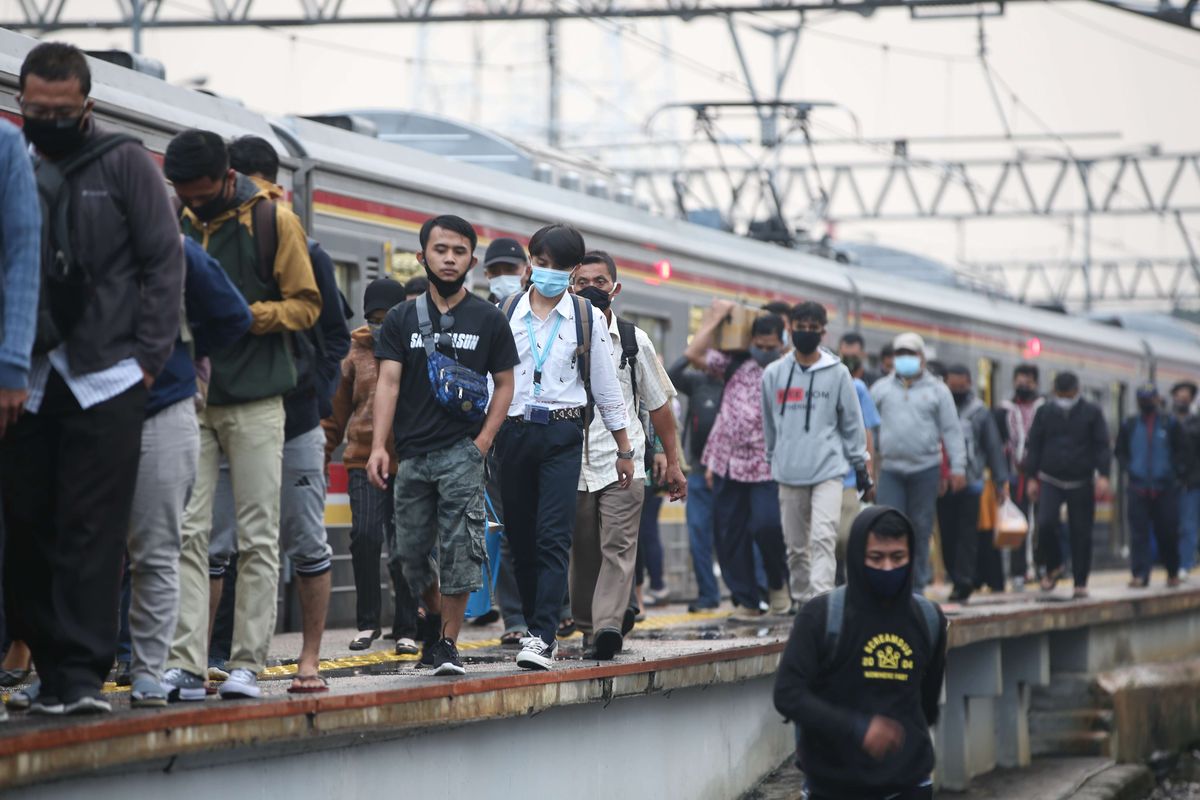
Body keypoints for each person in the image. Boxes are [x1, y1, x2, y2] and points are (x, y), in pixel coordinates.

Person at [3, 43, 183, 715]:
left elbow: (163, 265)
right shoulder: (9, 161)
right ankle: (41, 666)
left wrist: (146, 361)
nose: (45, 119)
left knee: (91, 528)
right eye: (34, 108)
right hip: (25, 375)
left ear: (88, 106)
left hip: (107, 377)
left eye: (61, 110)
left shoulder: (125, 164)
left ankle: (77, 676)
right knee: (26, 523)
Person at [163, 129, 321, 701]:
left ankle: (247, 663)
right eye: (183, 192)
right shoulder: (171, 216)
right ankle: (185, 662)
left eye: (201, 192)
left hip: (257, 398)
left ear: (226, 178)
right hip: (193, 398)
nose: (192, 201)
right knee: (188, 532)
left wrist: (243, 315)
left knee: (258, 535)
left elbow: (307, 305)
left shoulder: (273, 222)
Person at [225, 134, 352, 694]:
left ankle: (308, 658)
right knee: (219, 542)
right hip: (228, 410)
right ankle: (219, 657)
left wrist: (317, 401)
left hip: (295, 417)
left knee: (305, 539)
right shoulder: (212, 243)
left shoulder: (307, 249)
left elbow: (333, 336)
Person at [368, 215, 519, 676]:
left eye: (458, 252)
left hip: (462, 451)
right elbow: (388, 384)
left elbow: (506, 384)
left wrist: (483, 441)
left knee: (460, 550)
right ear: (422, 257)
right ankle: (432, 618)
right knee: (408, 556)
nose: (449, 258)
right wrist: (379, 446)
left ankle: (448, 644)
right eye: (440, 250)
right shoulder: (400, 319)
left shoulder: (488, 318)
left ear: (471, 260)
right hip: (412, 455)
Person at [495, 224, 634, 671]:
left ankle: (541, 635)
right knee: (520, 538)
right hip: (512, 432)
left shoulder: (585, 317)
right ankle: (538, 617)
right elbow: (490, 379)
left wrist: (624, 448)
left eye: (559, 266)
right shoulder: (508, 311)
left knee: (553, 536)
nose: (548, 272)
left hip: (562, 433)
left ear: (574, 271)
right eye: (542, 262)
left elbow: (606, 387)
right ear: (531, 260)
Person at [123, 237, 252, 707]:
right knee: (84, 546)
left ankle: (151, 670)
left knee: (161, 548)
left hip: (163, 404)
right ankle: (71, 670)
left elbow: (235, 316)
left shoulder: (174, 247)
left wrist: (182, 355)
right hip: (89, 406)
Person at [774, 505, 947, 800]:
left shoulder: (928, 619)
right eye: (876, 558)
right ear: (857, 555)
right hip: (835, 786)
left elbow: (928, 705)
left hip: (909, 784)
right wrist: (857, 729)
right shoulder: (822, 616)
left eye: (898, 557)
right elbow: (788, 694)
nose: (888, 568)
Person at [568, 251, 685, 659]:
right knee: (583, 551)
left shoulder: (635, 341)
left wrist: (672, 462)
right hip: (573, 466)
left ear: (614, 289)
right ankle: (587, 624)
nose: (591, 289)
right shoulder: (562, 335)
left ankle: (607, 628)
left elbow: (659, 407)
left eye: (599, 282)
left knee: (617, 547)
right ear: (571, 287)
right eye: (582, 282)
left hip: (625, 463)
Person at [325, 277, 421, 654]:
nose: (380, 324)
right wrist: (325, 449)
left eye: (388, 316)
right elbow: (336, 411)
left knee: (406, 546)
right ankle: (367, 623)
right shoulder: (355, 351)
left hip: (410, 461)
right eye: (374, 317)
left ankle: (407, 626)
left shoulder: (416, 345)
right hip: (362, 459)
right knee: (365, 536)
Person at [685, 300, 790, 614]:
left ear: (782, 343)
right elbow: (693, 355)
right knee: (730, 532)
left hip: (767, 463)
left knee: (766, 525)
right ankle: (746, 599)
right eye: (758, 345)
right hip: (727, 461)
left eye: (771, 346)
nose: (764, 351)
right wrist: (715, 320)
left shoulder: (789, 370)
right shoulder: (733, 363)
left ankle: (776, 583)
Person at [761, 303, 870, 606]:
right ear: (790, 329)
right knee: (796, 548)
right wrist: (773, 458)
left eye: (813, 328)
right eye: (800, 327)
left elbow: (852, 423)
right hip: (789, 470)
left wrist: (860, 464)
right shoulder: (774, 374)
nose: (806, 333)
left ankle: (820, 605)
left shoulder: (838, 374)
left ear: (823, 332)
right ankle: (801, 599)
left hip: (828, 471)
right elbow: (769, 423)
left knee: (824, 538)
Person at [870, 333, 966, 593]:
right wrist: (868, 465)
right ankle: (889, 584)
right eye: (900, 354)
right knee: (888, 526)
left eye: (911, 354)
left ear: (922, 358)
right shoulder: (881, 389)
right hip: (890, 468)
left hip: (925, 469)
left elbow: (951, 430)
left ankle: (916, 587)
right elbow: (869, 430)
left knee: (920, 528)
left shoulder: (938, 390)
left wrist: (958, 467)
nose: (905, 360)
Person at [0, 118, 40, 720]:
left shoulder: (6, 148)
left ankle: (23, 647)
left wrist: (11, 364)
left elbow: (22, 259)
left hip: (18, 384)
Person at [1025, 372, 1111, 597]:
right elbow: (1034, 444)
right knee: (1045, 523)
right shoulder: (1044, 412)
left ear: (1077, 390)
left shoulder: (1092, 412)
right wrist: (1031, 476)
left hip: (1081, 479)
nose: (1064, 397)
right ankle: (1052, 565)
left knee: (1081, 531)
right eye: (1061, 393)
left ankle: (1080, 581)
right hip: (1050, 477)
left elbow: (1102, 444)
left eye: (1068, 393)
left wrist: (1103, 474)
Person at [937, 365, 1009, 603]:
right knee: (947, 535)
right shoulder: (938, 407)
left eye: (961, 387)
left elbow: (992, 447)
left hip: (972, 484)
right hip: (943, 484)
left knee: (968, 535)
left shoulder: (980, 412)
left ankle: (963, 579)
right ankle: (957, 574)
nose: (957, 391)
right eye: (952, 386)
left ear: (969, 384)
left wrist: (1001, 481)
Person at [667, 355, 724, 611]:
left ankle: (751, 592)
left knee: (731, 536)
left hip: (730, 473)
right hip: (699, 472)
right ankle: (708, 594)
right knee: (698, 533)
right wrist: (695, 353)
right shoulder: (697, 381)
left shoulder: (737, 380)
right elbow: (673, 371)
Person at [1116, 384, 1185, 589]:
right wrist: (1129, 469)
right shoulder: (1129, 424)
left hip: (1165, 488)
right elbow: (1120, 451)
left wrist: (1174, 473)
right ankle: (1140, 574)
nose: (1146, 403)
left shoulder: (1169, 424)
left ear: (1157, 399)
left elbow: (1182, 451)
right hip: (1138, 487)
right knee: (1138, 534)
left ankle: (1172, 571)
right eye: (1142, 399)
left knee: (1167, 532)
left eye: (1150, 398)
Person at [836, 332, 881, 584]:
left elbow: (867, 431)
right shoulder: (826, 381)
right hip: (822, 471)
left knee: (845, 535)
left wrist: (868, 470)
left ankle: (849, 582)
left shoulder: (860, 387)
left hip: (851, 474)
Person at [999, 364, 1044, 588]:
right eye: (1019, 380)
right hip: (1015, 475)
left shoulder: (1043, 409)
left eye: (1027, 380)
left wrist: (1036, 473)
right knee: (1019, 523)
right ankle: (1018, 572)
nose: (1022, 384)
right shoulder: (1005, 409)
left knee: (1042, 523)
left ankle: (1041, 565)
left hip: (1042, 476)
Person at [1171, 381, 1200, 575]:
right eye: (1179, 394)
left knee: (1188, 524)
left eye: (1186, 395)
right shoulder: (1165, 421)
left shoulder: (1196, 423)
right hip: (1168, 483)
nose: (1182, 398)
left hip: (1192, 483)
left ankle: (1185, 563)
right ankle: (1173, 562)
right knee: (1171, 525)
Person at [482, 237, 528, 303]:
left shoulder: (545, 310)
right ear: (486, 275)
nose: (502, 277)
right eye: (494, 271)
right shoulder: (480, 312)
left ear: (527, 272)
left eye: (510, 269)